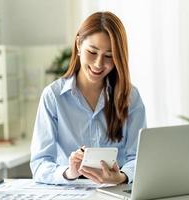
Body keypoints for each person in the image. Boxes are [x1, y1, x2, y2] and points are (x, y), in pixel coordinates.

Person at [30, 11, 146, 185]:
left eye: (109, 56)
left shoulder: (130, 96)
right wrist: (69, 172)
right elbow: (39, 164)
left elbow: (139, 157)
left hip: (116, 191)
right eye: (92, 52)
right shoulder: (53, 96)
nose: (99, 64)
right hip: (70, 191)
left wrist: (121, 176)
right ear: (78, 44)